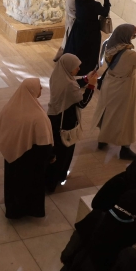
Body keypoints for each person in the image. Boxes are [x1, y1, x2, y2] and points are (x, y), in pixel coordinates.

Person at [91, 23, 136, 161]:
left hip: (110, 82)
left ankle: (103, 139)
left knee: (107, 111)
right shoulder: (128, 53)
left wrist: (133, 31)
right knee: (125, 116)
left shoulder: (110, 44)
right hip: (124, 86)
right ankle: (125, 149)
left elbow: (123, 38)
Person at [0, 79, 54, 219]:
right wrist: (50, 156)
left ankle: (13, 210)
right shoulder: (38, 116)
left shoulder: (10, 107)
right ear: (32, 91)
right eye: (39, 87)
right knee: (29, 185)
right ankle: (29, 211)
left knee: (12, 182)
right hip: (31, 157)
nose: (41, 88)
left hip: (12, 150)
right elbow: (44, 141)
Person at [45, 54, 96, 193]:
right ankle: (57, 179)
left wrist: (85, 79)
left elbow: (72, 83)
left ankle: (48, 180)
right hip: (66, 122)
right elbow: (82, 103)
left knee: (54, 151)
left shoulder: (57, 75)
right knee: (64, 153)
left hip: (53, 117)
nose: (79, 69)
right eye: (76, 67)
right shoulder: (70, 85)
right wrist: (91, 85)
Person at [62, 0, 111, 74]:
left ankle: (70, 67)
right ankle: (84, 71)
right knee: (88, 52)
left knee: (76, 48)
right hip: (90, 31)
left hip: (78, 28)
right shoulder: (94, 5)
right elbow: (105, 12)